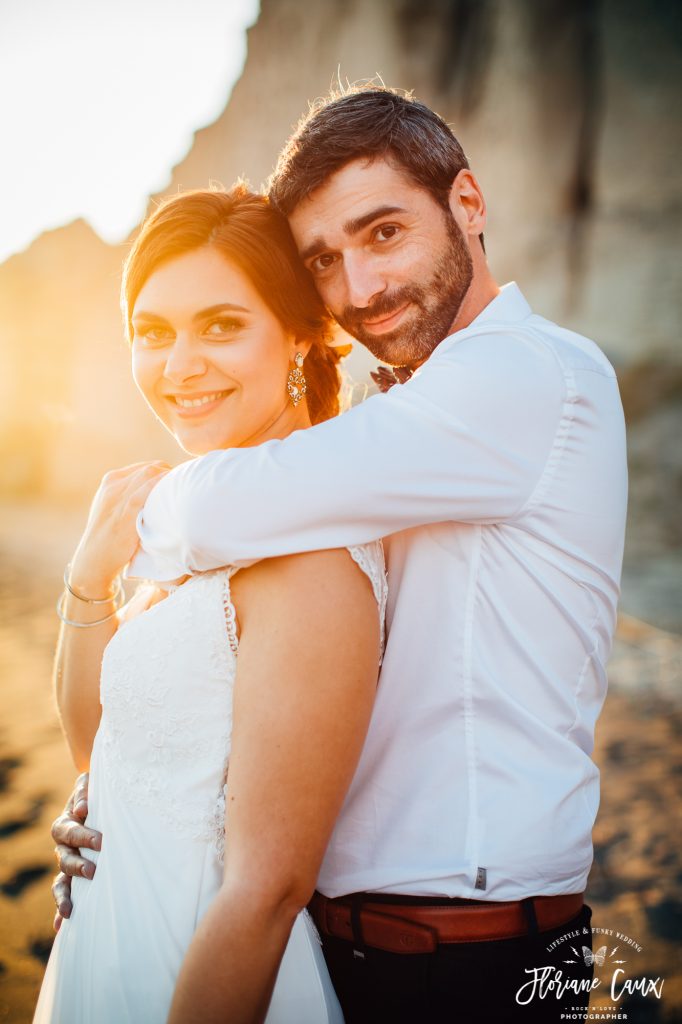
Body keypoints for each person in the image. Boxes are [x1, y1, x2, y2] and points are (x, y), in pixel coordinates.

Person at [52, 86, 628, 1023]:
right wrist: (121, 802)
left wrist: (124, 520)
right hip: (351, 935)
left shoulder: (528, 376)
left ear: (469, 206)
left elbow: (251, 493)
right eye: (325, 259)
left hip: (470, 952)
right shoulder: (399, 420)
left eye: (385, 232)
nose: (360, 289)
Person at [35, 186, 388, 1024]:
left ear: (302, 333)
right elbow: (100, 744)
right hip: (109, 934)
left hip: (206, 963)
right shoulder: (194, 527)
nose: (178, 364)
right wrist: (89, 578)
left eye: (221, 325)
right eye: (151, 334)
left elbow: (267, 890)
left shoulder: (310, 563)